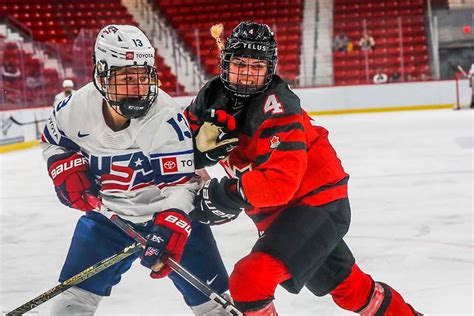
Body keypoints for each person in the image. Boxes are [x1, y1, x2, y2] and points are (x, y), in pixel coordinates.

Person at [185, 21, 422, 316]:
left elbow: (277, 186)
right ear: (225, 62)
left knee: (250, 280)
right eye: (240, 64)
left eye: (256, 66)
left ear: (270, 68)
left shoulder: (280, 107)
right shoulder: (211, 96)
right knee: (352, 291)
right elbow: (177, 143)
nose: (246, 75)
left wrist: (222, 195)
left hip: (316, 205)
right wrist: (193, 158)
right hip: (275, 213)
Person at [41, 24, 230, 315]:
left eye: (143, 76)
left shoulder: (165, 117)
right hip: (107, 220)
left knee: (217, 307)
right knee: (70, 304)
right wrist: (64, 168)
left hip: (166, 217)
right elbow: (54, 141)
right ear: (102, 75)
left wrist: (173, 222)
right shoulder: (75, 109)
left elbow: (180, 185)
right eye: (127, 77)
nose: (138, 87)